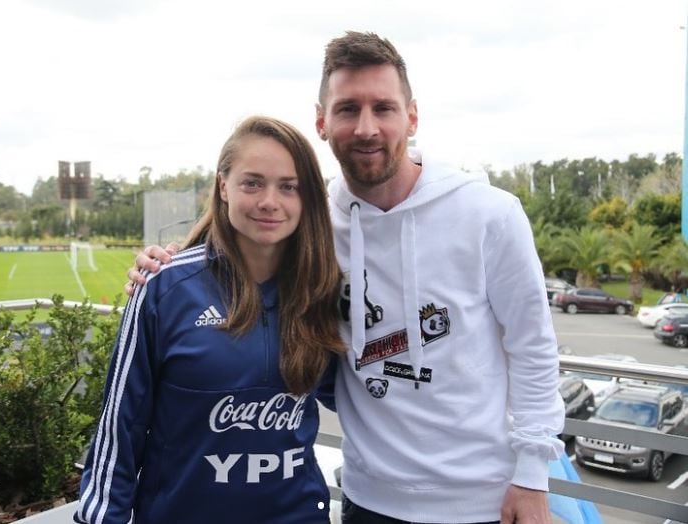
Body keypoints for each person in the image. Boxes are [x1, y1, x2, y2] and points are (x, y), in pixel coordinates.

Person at [127, 32, 565, 524]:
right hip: (367, 500)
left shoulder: (491, 214)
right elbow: (239, 252)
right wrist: (166, 264)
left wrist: (532, 475)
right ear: (321, 121)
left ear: (412, 116)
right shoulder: (313, 224)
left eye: (384, 108)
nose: (366, 128)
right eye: (347, 109)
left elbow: (532, 347)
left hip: (484, 503)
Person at [76, 116, 346, 524]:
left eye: (288, 186)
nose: (270, 201)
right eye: (252, 183)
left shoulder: (320, 290)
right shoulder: (164, 289)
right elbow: (120, 429)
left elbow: (346, 394)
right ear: (223, 186)